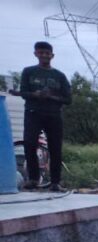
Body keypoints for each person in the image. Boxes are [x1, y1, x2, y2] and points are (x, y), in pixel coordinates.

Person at [12, 41, 71, 191]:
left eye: (47, 53)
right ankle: (33, 179)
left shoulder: (59, 76)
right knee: (30, 144)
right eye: (41, 52)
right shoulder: (28, 72)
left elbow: (68, 99)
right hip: (33, 113)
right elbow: (24, 93)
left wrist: (51, 97)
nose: (44, 55)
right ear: (36, 54)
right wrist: (36, 95)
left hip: (54, 115)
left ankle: (55, 182)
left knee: (55, 148)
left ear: (52, 55)